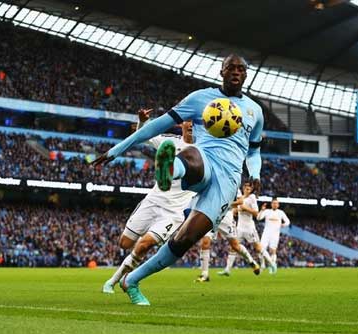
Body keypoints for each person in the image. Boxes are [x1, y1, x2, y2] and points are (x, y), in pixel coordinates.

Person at [93, 54, 263, 305]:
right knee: (191, 153)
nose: (236, 72)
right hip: (205, 158)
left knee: (184, 240)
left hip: (228, 181)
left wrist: (256, 172)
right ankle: (170, 169)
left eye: (241, 68)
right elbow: (157, 126)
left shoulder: (255, 112)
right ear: (221, 71)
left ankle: (132, 281)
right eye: (231, 68)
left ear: (246, 74)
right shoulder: (199, 98)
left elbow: (255, 150)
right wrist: (118, 149)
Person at [102, 108, 194, 293]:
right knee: (125, 244)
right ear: (182, 124)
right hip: (153, 201)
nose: (191, 125)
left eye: (195, 122)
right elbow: (146, 135)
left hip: (173, 213)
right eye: (189, 121)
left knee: (145, 244)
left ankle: (114, 280)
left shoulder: (203, 152)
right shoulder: (169, 142)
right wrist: (142, 121)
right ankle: (128, 268)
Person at [196, 194, 260, 282]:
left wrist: (225, 204)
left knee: (235, 246)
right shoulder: (211, 183)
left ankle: (251, 261)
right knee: (205, 242)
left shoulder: (232, 183)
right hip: (211, 215)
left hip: (226, 218)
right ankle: (205, 274)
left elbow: (240, 201)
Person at [218, 181, 275, 275]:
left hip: (249, 227)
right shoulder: (241, 198)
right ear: (243, 188)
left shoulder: (252, 198)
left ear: (251, 190)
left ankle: (272, 264)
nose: (247, 189)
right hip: (239, 227)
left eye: (249, 188)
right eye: (246, 187)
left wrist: (245, 208)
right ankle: (227, 270)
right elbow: (237, 209)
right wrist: (235, 210)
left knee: (257, 247)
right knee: (234, 247)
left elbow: (256, 213)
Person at [257, 197, 290, 274]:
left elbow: (288, 221)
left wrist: (283, 224)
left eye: (276, 203)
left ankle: (271, 267)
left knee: (273, 251)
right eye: (273, 203)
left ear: (278, 205)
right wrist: (262, 210)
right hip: (266, 234)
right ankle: (263, 265)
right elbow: (258, 218)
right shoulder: (267, 211)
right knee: (260, 250)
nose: (275, 205)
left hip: (275, 234)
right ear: (271, 204)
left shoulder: (281, 213)